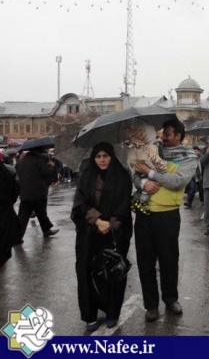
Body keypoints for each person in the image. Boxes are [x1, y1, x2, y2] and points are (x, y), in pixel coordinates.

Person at [132, 119, 198, 322]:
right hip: (144, 213)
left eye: (167, 134)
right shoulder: (151, 150)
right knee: (145, 262)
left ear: (179, 136)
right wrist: (143, 182)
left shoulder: (189, 158)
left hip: (168, 215)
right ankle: (151, 305)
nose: (163, 138)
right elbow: (134, 174)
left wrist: (148, 172)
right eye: (162, 134)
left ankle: (170, 299)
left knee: (169, 260)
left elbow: (177, 181)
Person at [71, 142, 133, 331]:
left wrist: (110, 224)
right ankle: (90, 316)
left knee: (113, 271)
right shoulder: (87, 176)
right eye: (98, 156)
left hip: (114, 234)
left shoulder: (122, 177)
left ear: (112, 156)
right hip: (89, 234)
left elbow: (124, 206)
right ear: (93, 158)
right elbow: (79, 205)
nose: (102, 160)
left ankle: (112, 312)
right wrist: (97, 220)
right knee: (86, 271)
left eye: (106, 155)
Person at [15, 146, 59, 241]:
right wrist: (51, 165)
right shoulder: (38, 161)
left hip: (25, 193)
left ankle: (17, 237)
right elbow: (47, 172)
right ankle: (46, 230)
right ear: (38, 152)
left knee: (23, 216)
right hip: (38, 192)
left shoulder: (21, 162)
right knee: (41, 212)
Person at [0, 157, 20, 267]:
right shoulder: (9, 170)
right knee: (5, 233)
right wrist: (11, 201)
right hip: (5, 208)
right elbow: (16, 187)